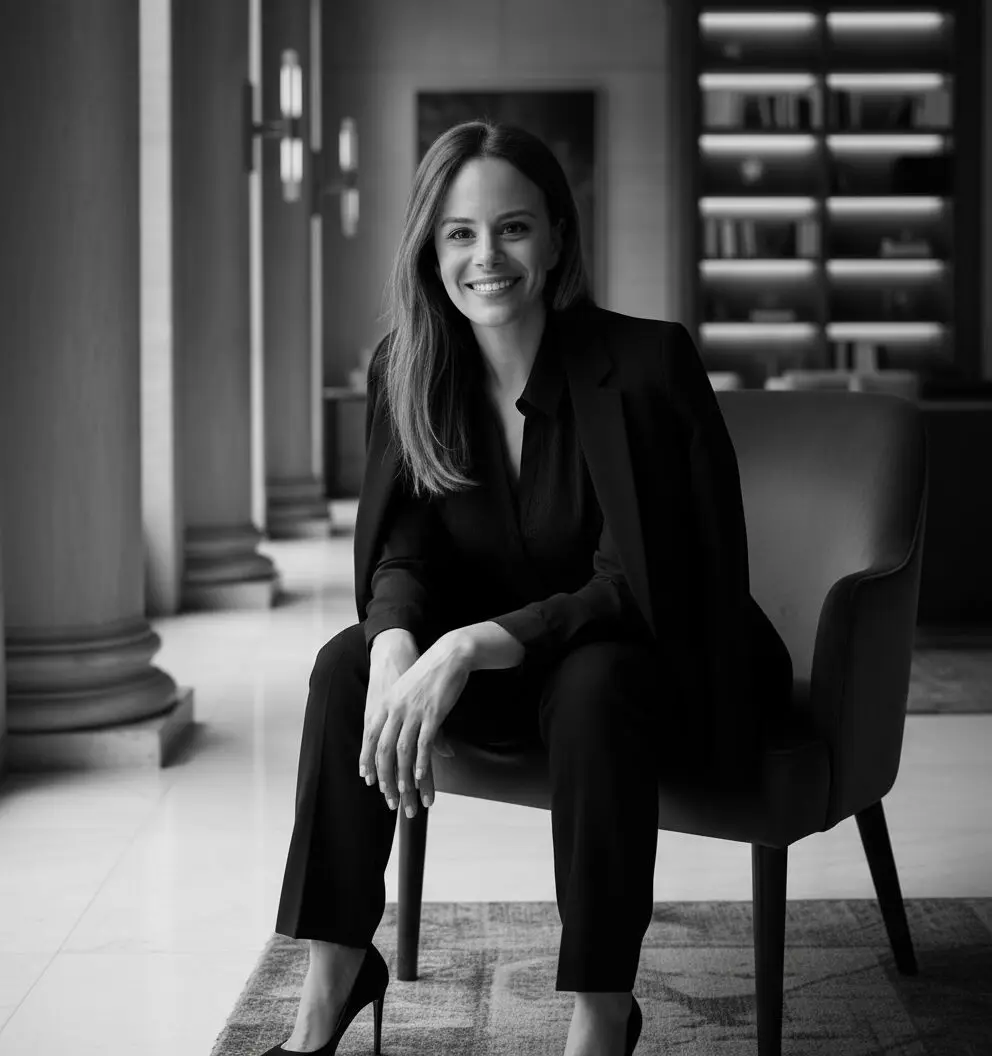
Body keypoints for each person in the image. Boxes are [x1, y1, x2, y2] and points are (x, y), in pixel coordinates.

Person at [263, 120, 793, 1056]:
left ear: (555, 236)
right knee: (348, 666)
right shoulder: (407, 369)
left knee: (595, 684)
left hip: (645, 672)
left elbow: (643, 582)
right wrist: (396, 643)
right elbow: (403, 551)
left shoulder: (646, 364)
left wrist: (468, 645)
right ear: (432, 249)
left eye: (512, 228)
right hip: (515, 683)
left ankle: (600, 1015)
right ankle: (332, 985)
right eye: (460, 233)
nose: (486, 257)